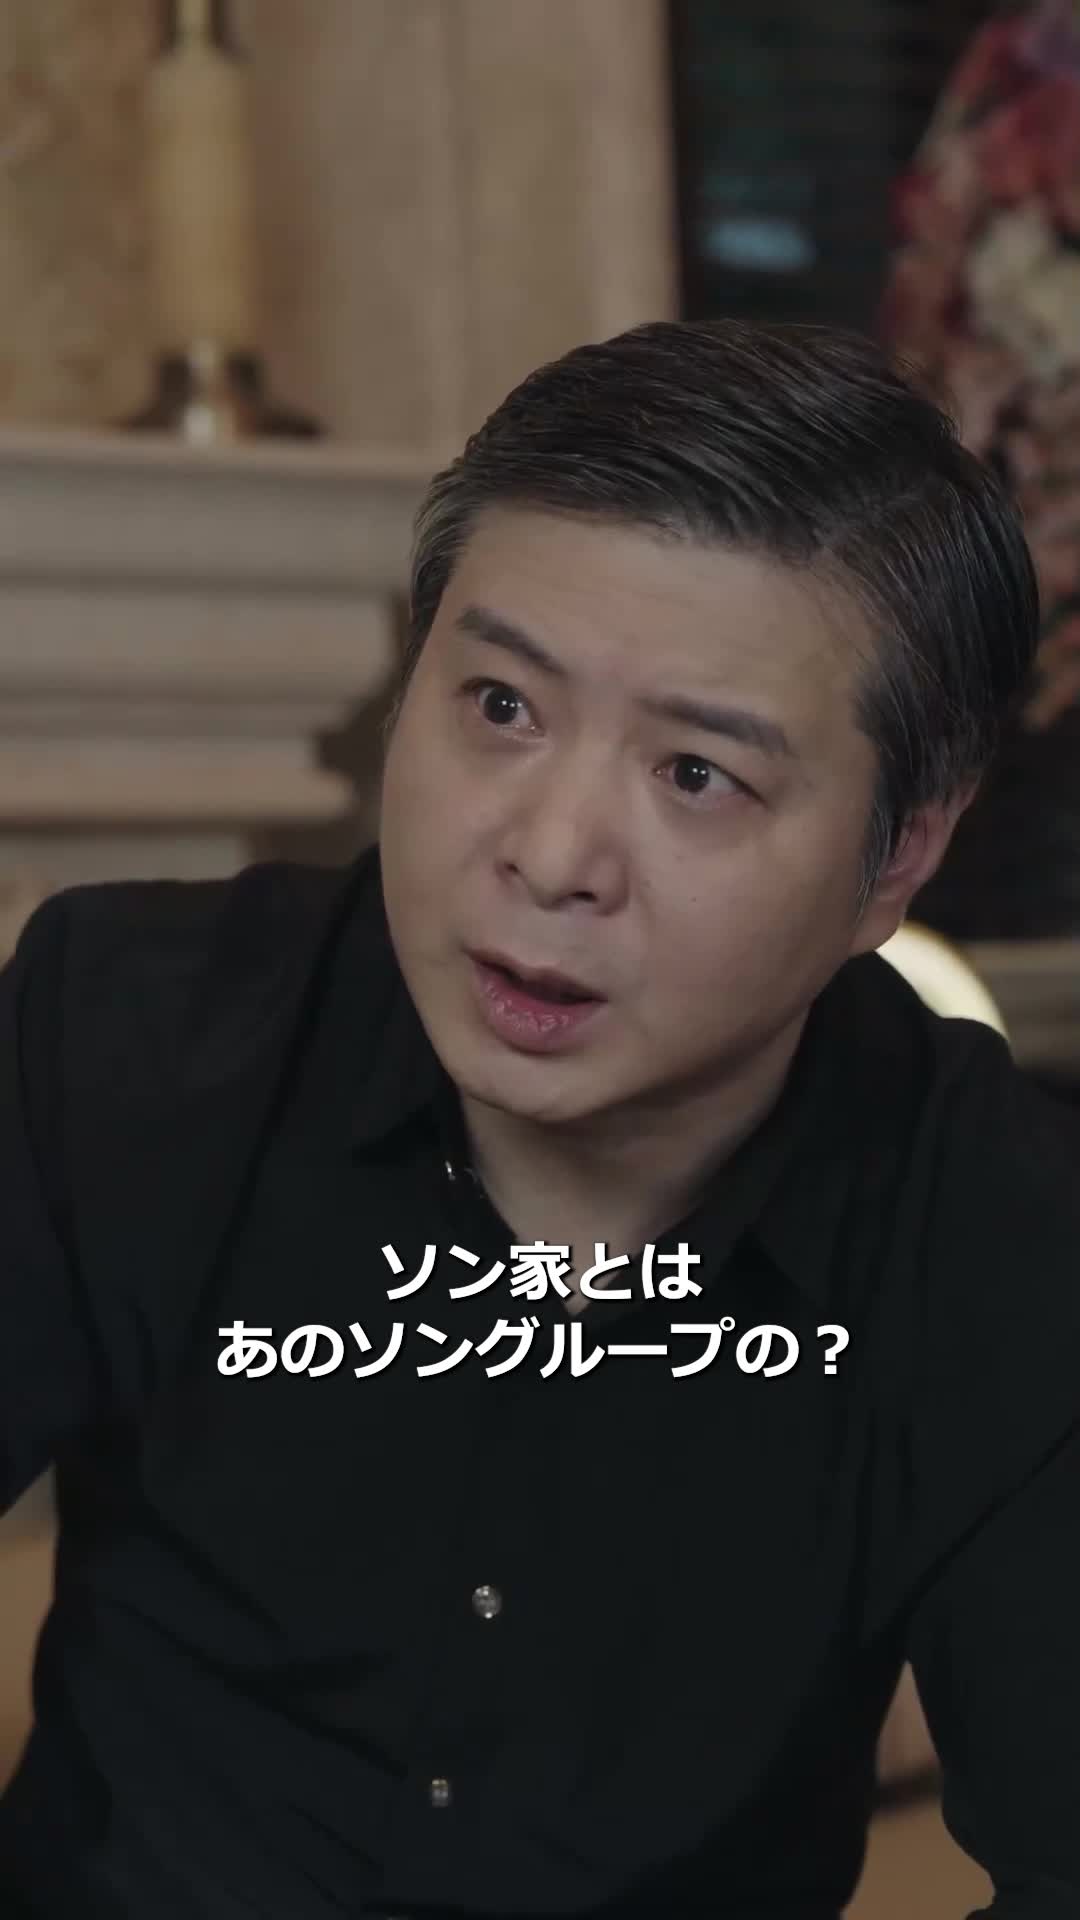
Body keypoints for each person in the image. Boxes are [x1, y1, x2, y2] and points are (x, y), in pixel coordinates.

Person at [1, 318, 1078, 1920]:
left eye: (697, 775)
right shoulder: (125, 1028)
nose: (551, 855)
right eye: (501, 705)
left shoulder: (991, 1227)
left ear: (899, 857)